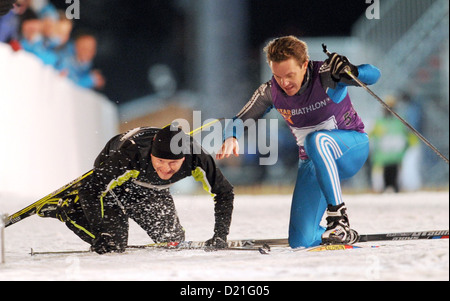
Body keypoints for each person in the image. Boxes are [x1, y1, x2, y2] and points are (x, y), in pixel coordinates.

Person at [216, 36, 381, 248]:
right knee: (301, 241)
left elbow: (374, 75)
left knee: (316, 140)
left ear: (304, 65)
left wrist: (353, 70)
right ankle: (332, 238)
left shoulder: (327, 75)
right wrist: (230, 137)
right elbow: (239, 119)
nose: (284, 83)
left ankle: (338, 219)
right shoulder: (270, 91)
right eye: (277, 76)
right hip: (314, 163)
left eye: (289, 75)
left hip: (351, 149)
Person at [38, 125, 234, 254]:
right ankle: (68, 209)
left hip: (151, 187)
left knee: (172, 241)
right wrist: (100, 231)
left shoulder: (197, 157)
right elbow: (90, 189)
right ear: (151, 155)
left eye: (173, 163)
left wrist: (220, 234)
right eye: (160, 161)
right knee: (112, 245)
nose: (166, 169)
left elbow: (224, 192)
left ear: (184, 158)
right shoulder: (131, 154)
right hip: (116, 181)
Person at [369, 96, 410, 193]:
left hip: (397, 161)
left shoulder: (400, 123)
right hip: (381, 162)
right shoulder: (378, 122)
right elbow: (369, 136)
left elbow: (409, 139)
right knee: (380, 188)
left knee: (397, 189)